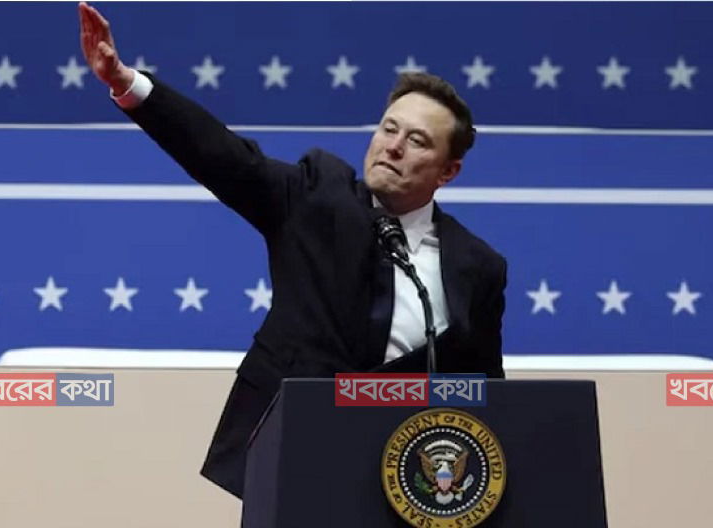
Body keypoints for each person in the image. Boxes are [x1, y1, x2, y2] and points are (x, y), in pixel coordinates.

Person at [78, 2, 507, 499]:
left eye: (417, 141)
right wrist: (126, 83)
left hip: (406, 478)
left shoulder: (477, 267)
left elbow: (485, 392)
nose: (393, 147)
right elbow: (221, 155)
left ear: (448, 171)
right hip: (290, 453)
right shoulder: (314, 197)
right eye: (389, 129)